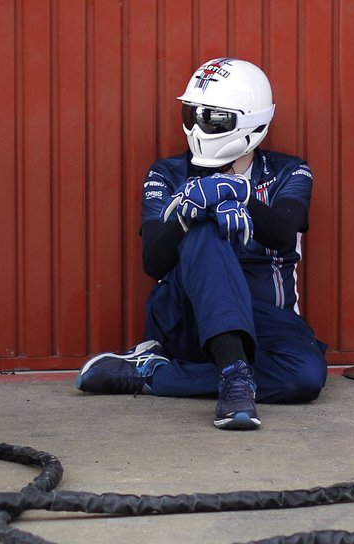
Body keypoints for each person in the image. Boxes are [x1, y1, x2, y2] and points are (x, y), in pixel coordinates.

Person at [76, 57, 327, 430]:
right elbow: (154, 261)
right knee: (206, 229)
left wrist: (242, 195)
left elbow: (282, 232)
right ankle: (232, 375)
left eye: (213, 119)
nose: (197, 126)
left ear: (251, 121)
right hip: (185, 315)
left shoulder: (289, 171)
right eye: (192, 114)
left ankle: (152, 374)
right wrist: (188, 212)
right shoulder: (167, 172)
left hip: (266, 320)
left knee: (304, 378)